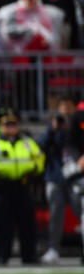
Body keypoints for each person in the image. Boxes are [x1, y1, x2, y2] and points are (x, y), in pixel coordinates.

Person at [0, 109, 44, 265]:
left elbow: (39, 157)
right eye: (7, 124)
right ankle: (1, 255)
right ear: (1, 126)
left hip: (22, 185)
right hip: (2, 187)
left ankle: (29, 255)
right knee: (2, 224)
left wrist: (34, 171)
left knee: (27, 224)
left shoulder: (26, 141)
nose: (11, 128)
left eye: (13, 124)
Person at [37, 96, 80, 265]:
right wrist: (52, 130)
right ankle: (53, 249)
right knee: (55, 215)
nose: (66, 110)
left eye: (69, 106)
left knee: (81, 212)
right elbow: (39, 146)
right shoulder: (53, 127)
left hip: (76, 177)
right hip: (55, 178)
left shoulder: (78, 126)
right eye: (63, 107)